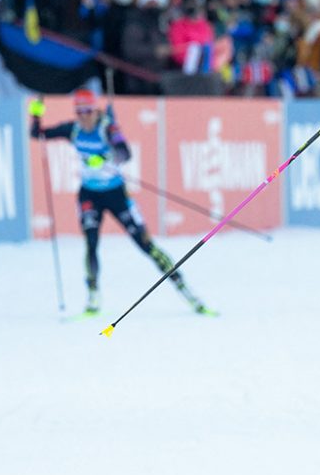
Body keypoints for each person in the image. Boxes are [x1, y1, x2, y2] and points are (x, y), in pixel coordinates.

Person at [29, 89, 211, 315]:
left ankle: (186, 291)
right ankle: (93, 298)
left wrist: (104, 157)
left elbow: (125, 154)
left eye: (87, 111)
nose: (84, 116)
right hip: (89, 195)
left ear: (95, 110)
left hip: (117, 195)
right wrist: (36, 113)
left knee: (145, 244)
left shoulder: (108, 128)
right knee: (91, 243)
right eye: (79, 112)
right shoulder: (73, 130)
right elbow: (38, 134)